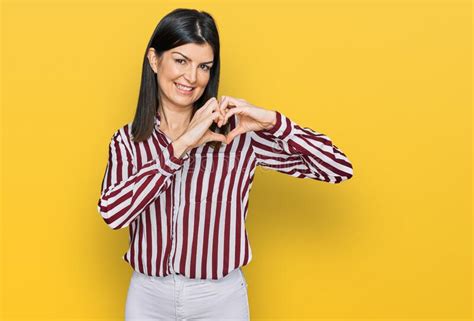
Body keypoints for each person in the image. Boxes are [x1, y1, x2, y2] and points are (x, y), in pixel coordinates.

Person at [97, 8, 354, 321]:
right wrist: (180, 147)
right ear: (154, 60)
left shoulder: (236, 134)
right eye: (181, 60)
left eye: (204, 66)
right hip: (148, 298)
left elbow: (337, 167)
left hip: (219, 300)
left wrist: (273, 121)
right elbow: (112, 213)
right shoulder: (128, 141)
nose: (192, 77)